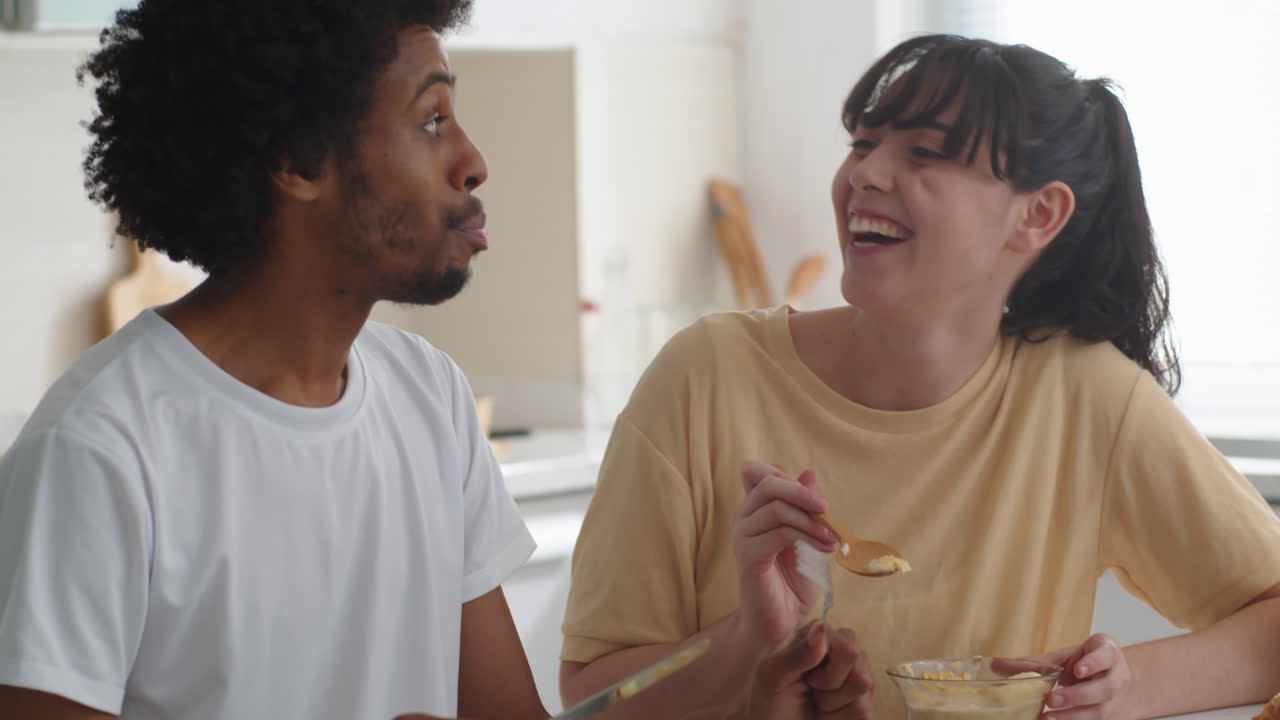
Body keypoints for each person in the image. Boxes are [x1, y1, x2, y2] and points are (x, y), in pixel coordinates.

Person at [559, 33, 1280, 720]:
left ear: (1037, 215)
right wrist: (749, 641)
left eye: (926, 154)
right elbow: (589, 701)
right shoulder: (705, 376)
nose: (865, 174)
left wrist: (1121, 689)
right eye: (863, 144)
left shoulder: (1089, 398)